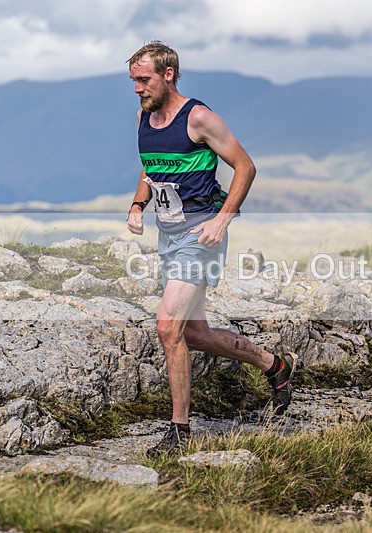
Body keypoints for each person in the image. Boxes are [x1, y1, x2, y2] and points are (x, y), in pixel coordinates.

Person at [125, 41, 297, 456]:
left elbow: (246, 166)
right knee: (194, 333)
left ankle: (181, 430)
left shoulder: (199, 118)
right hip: (169, 234)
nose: (137, 89)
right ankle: (273, 364)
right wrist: (137, 204)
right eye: (133, 81)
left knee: (168, 328)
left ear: (168, 74)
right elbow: (152, 166)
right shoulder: (144, 116)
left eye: (143, 80)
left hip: (200, 234)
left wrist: (223, 218)